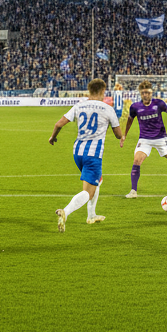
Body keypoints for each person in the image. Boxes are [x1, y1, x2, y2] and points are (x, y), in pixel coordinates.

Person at [49, 78, 123, 231]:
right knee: (88, 192)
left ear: (89, 91)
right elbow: (118, 134)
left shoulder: (79, 106)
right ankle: (65, 212)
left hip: (77, 152)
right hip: (93, 154)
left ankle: (91, 215)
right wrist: (118, 133)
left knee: (98, 180)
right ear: (102, 91)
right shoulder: (107, 108)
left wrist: (53, 137)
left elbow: (58, 124)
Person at [122, 80, 167, 198]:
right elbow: (130, 120)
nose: (145, 95)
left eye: (147, 92)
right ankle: (133, 191)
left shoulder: (159, 104)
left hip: (161, 138)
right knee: (136, 160)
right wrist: (124, 135)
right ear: (140, 93)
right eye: (143, 93)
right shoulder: (135, 107)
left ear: (151, 92)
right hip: (144, 139)